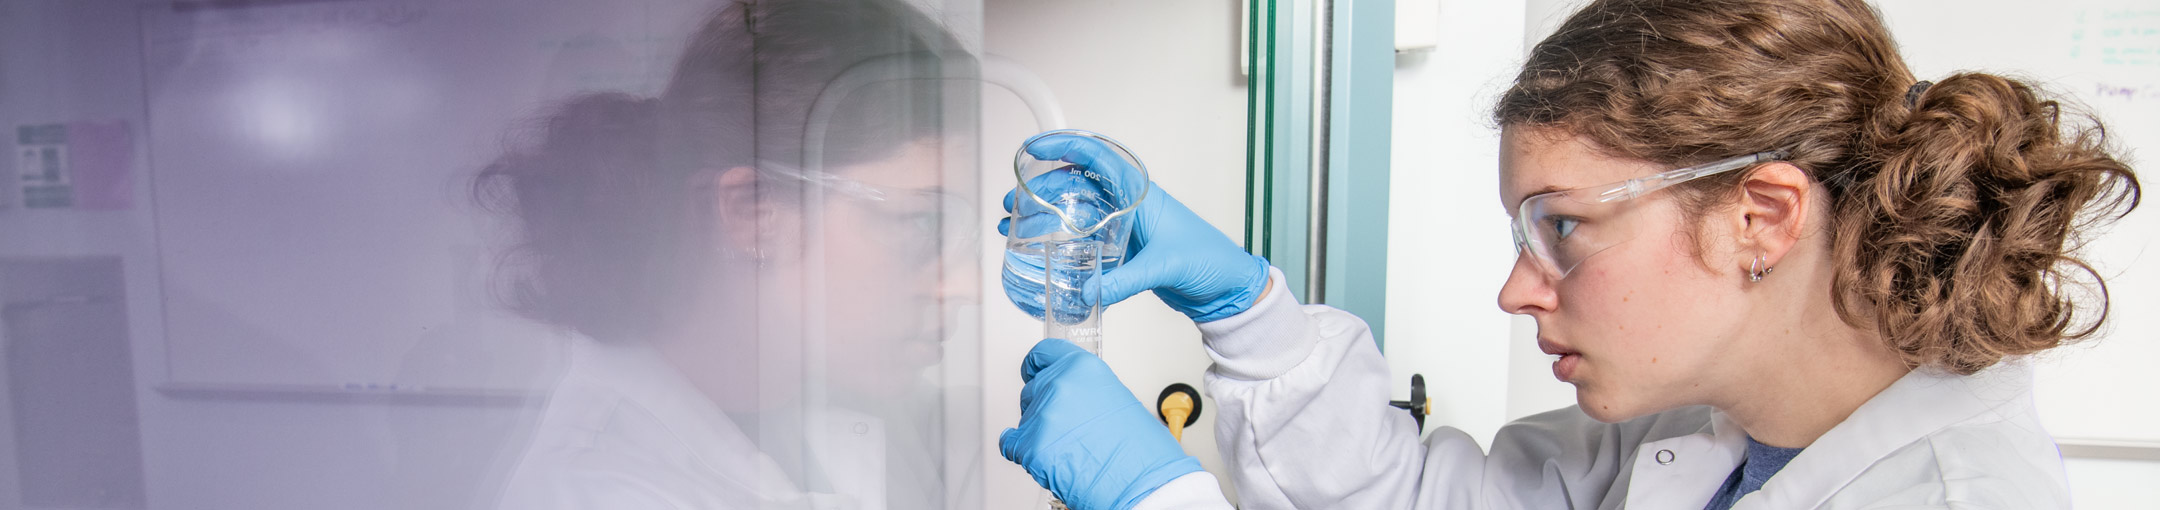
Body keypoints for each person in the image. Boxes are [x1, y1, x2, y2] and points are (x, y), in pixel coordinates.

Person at [995, 0, 2143, 509]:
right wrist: (1241, 306)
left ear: (1763, 217)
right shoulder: (1706, 433)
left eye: (1563, 227)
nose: (1516, 286)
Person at [476, 1, 975, 508]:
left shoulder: (832, 394)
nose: (965, 285)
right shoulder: (596, 490)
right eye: (919, 222)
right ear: (752, 213)